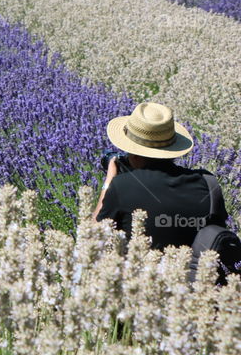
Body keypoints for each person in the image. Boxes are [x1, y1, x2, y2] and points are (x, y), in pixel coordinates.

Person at [93, 102, 228, 251]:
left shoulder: (122, 186)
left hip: (138, 271)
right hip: (198, 272)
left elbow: (92, 237)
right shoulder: (208, 183)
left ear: (135, 155)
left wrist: (110, 181)